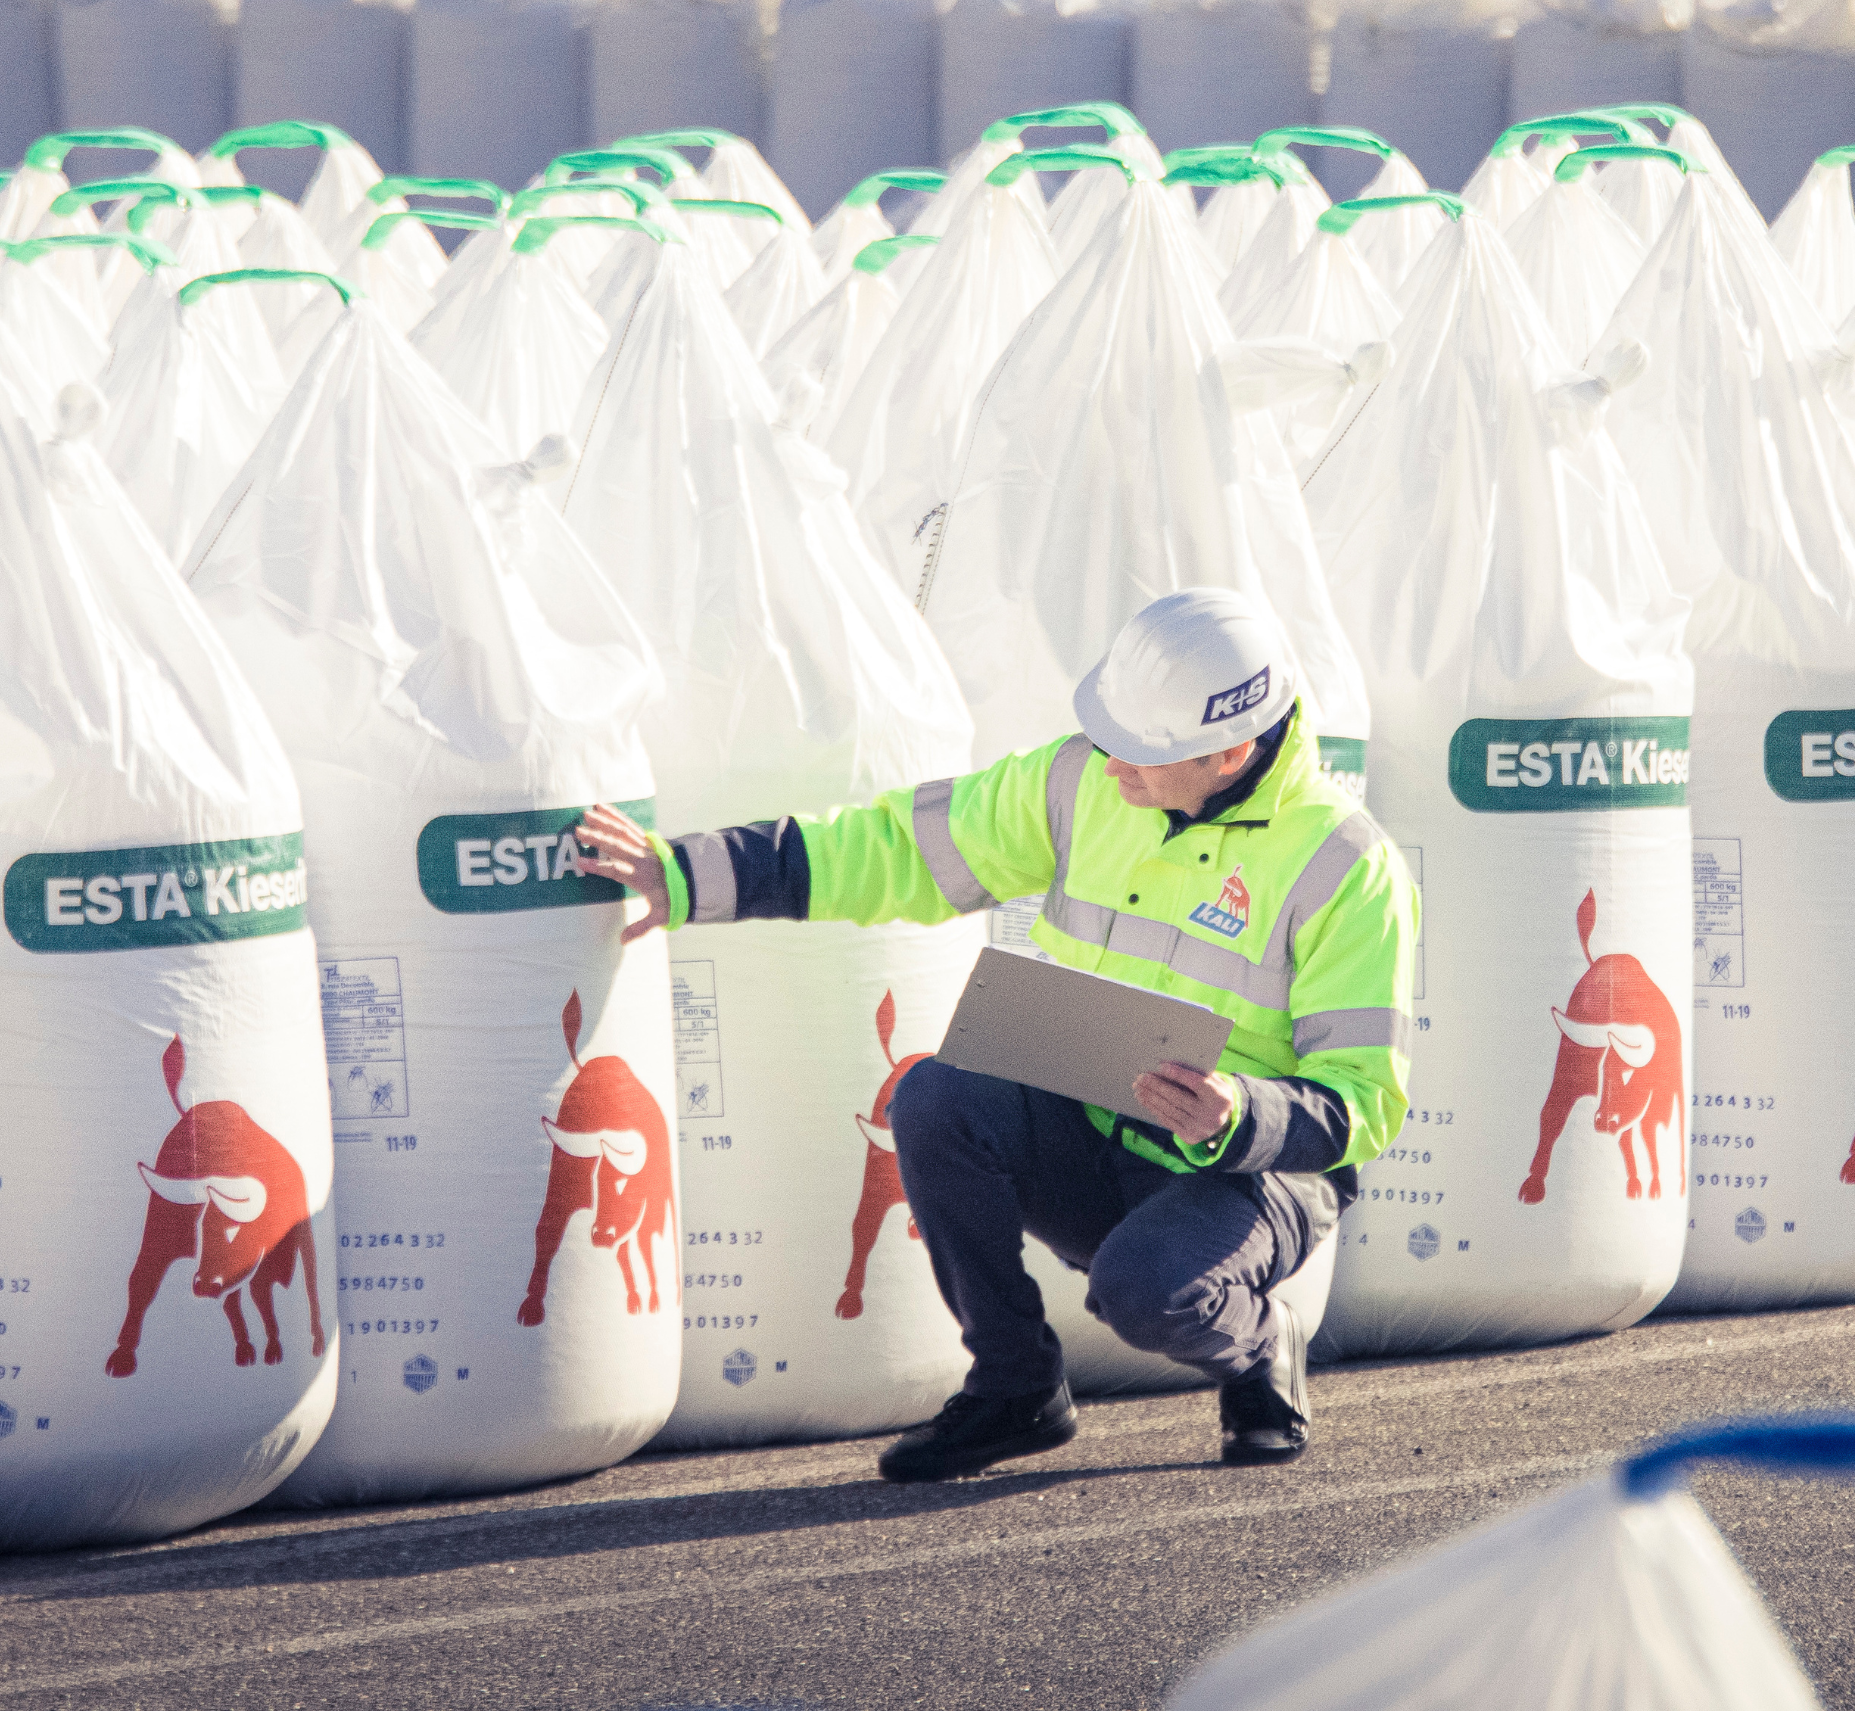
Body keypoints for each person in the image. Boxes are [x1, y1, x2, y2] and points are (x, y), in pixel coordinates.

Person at [573, 588, 1411, 1481]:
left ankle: (1260, 1349)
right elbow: (896, 848)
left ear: (1230, 752)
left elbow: (1366, 1100)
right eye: (1106, 736)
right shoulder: (1080, 779)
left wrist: (1235, 1113)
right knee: (934, 1094)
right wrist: (692, 876)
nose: (1110, 767)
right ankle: (1017, 1387)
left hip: (1247, 1176)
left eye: (1137, 753)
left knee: (1146, 1291)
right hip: (1096, 1126)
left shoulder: (1346, 866)